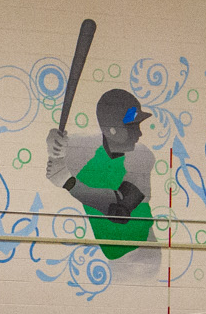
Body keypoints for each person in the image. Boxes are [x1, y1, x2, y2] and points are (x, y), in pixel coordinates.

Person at [46, 84, 160, 279]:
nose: (139, 134)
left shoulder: (141, 156)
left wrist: (68, 182)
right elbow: (64, 150)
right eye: (132, 127)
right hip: (115, 262)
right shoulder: (86, 152)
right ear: (113, 131)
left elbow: (120, 209)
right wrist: (54, 145)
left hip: (143, 258)